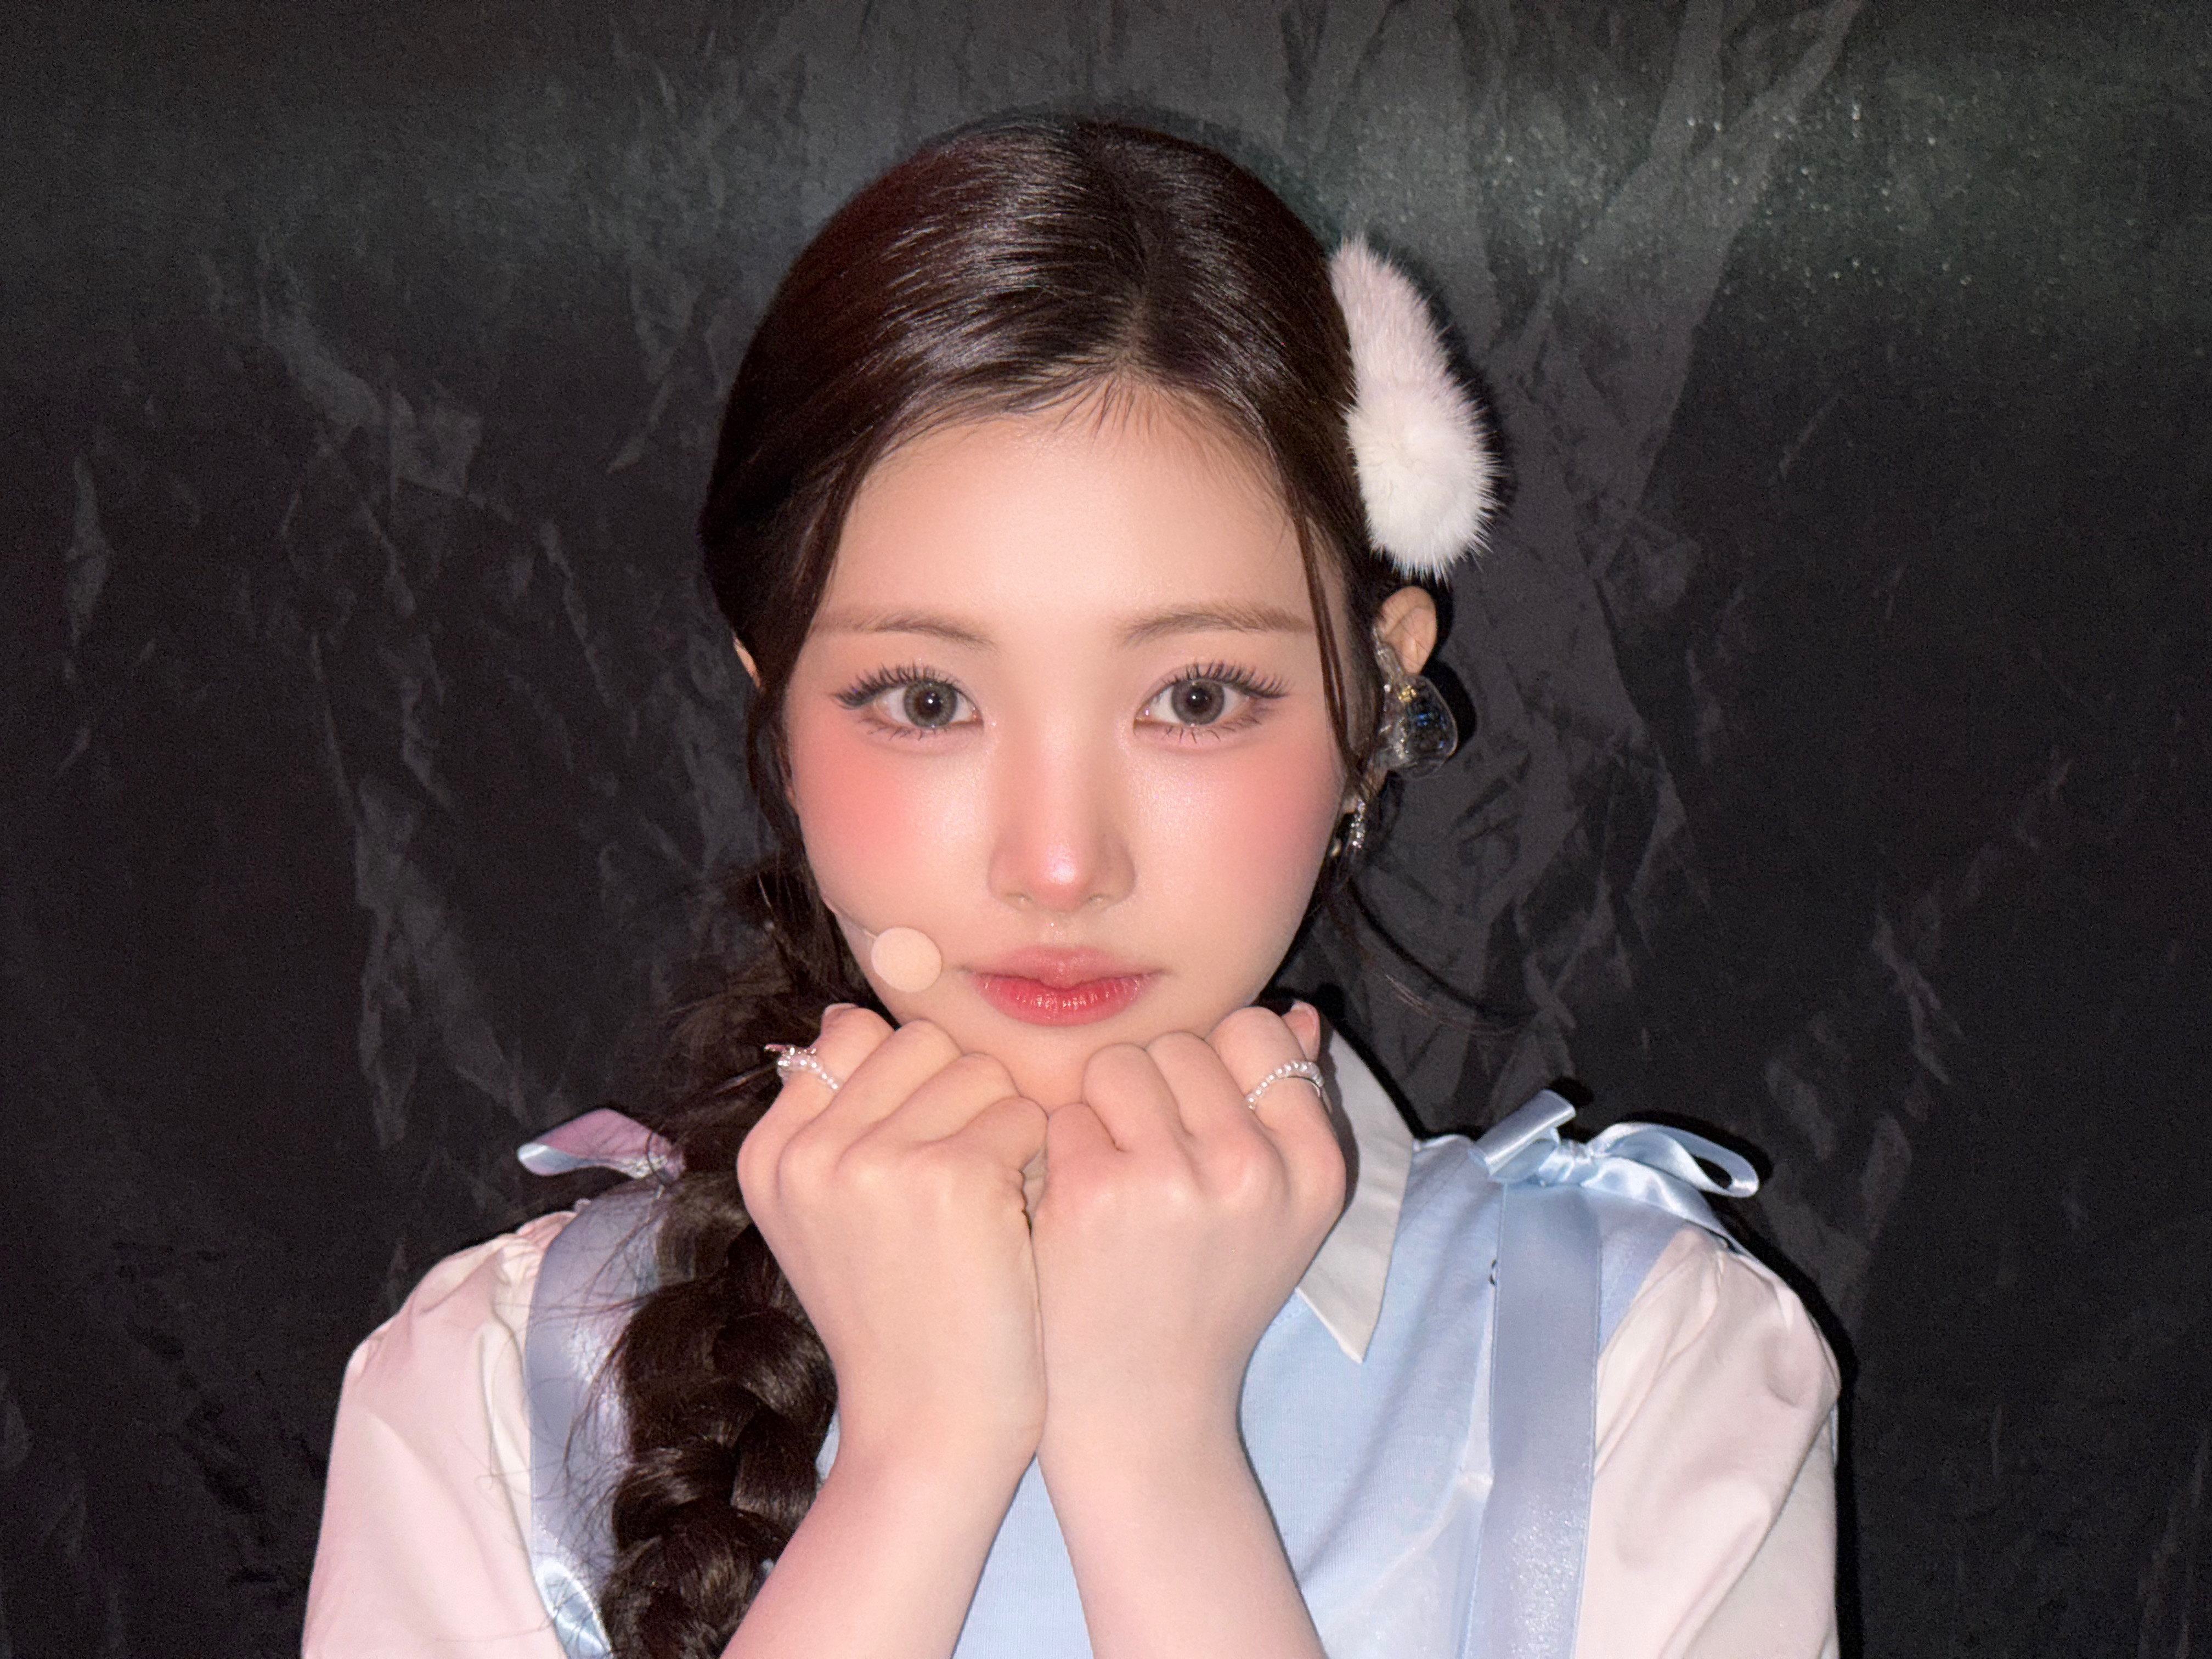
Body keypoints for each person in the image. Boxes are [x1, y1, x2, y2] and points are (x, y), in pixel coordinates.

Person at [303, 118, 1839, 1659]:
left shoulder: (1634, 1371)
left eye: (1194, 699)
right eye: (927, 701)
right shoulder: (502, 1386)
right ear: (779, 718)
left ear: (1375, 698)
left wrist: (1157, 1461)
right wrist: (913, 1467)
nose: (1058, 864)